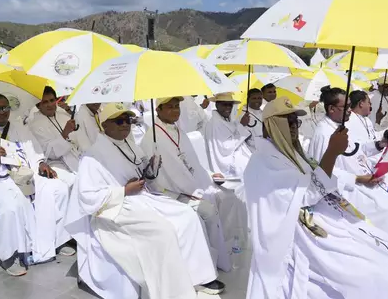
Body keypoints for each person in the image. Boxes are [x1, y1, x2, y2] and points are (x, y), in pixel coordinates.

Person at [245, 97, 388, 299]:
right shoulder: (263, 162)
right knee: (376, 275)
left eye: (295, 122)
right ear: (271, 126)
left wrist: (355, 177)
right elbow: (305, 195)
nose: (293, 128)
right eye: (287, 122)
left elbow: (314, 170)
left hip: (325, 211)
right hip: (298, 233)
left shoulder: (289, 151)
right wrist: (332, 152)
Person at [66, 102, 226, 298]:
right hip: (116, 208)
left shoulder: (129, 144)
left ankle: (200, 277)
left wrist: (150, 170)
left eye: (127, 120)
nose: (125, 124)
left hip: (142, 198)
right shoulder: (92, 156)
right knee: (164, 230)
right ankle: (173, 288)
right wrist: (124, 191)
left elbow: (142, 175)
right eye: (118, 121)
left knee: (188, 217)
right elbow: (88, 198)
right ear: (104, 125)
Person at [0, 93, 75, 276]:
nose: (1, 112)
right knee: (13, 203)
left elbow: (35, 150)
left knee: (58, 189)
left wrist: (40, 163)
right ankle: (9, 255)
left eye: (5, 107)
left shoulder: (19, 128)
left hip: (26, 174)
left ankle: (57, 240)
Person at [309, 86, 388, 252]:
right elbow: (323, 172)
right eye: (345, 107)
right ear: (331, 109)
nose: (349, 111)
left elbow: (356, 148)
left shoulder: (340, 125)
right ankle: (385, 248)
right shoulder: (324, 134)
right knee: (386, 207)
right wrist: (358, 179)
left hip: (360, 174)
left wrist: (379, 144)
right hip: (343, 188)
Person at [140, 96, 230, 271]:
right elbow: (153, 177)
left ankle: (216, 255)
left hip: (186, 185)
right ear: (158, 110)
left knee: (222, 197)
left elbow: (192, 161)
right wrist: (191, 188)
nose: (175, 110)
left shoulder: (177, 130)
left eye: (177, 106)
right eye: (170, 107)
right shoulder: (152, 137)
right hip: (168, 192)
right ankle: (204, 266)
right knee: (208, 212)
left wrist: (209, 175)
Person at [204, 92, 253, 248]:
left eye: (229, 104)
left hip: (237, 158)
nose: (227, 107)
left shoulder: (227, 119)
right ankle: (235, 233)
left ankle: (246, 226)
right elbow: (224, 149)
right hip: (225, 165)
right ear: (217, 105)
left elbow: (234, 134)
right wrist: (242, 129)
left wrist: (241, 125)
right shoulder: (214, 124)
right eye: (224, 104)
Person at [28, 86, 92, 187]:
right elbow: (50, 153)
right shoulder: (34, 125)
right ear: (38, 105)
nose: (50, 105)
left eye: (52, 100)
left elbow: (79, 141)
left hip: (76, 157)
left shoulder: (63, 115)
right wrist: (65, 133)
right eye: (45, 102)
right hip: (56, 164)